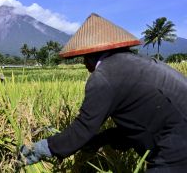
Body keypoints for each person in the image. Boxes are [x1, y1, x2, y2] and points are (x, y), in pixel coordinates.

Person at [18, 13, 187, 172]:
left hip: (176, 146)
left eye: (84, 58)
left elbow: (83, 127)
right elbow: (145, 117)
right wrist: (103, 139)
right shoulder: (140, 64)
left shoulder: (104, 76)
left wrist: (43, 149)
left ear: (92, 54)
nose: (84, 64)